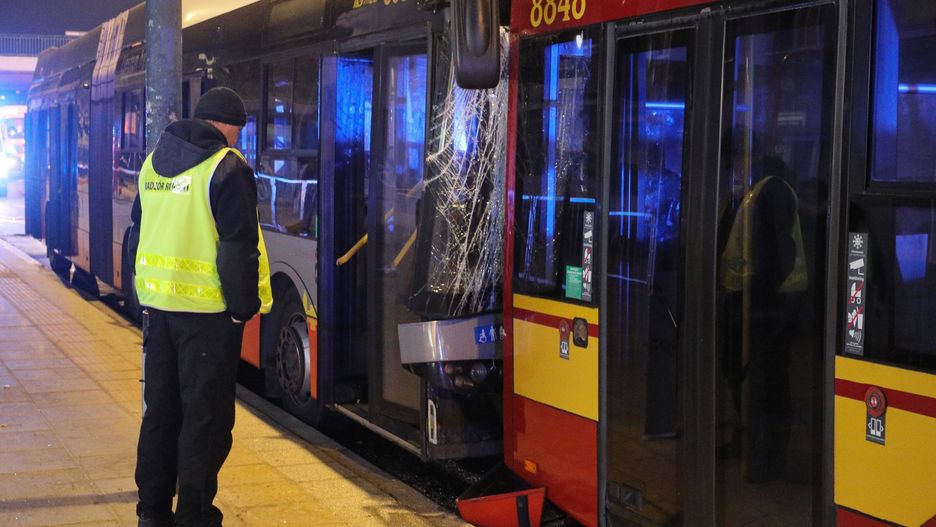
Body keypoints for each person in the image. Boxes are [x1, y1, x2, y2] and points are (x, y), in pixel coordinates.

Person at [129, 87, 273, 527]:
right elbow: (238, 247)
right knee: (204, 420)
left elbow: (137, 232)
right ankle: (194, 515)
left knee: (160, 413)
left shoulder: (153, 163)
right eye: (238, 130)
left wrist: (144, 298)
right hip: (208, 318)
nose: (237, 139)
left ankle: (151, 513)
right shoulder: (225, 167)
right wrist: (241, 309)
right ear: (228, 125)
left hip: (158, 310)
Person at [717, 129, 807, 483]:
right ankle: (749, 441)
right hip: (750, 301)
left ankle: (769, 457)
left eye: (737, 158)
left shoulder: (772, 189)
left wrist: (755, 299)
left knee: (768, 382)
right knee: (740, 373)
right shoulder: (755, 190)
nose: (734, 167)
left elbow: (778, 256)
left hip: (769, 306)